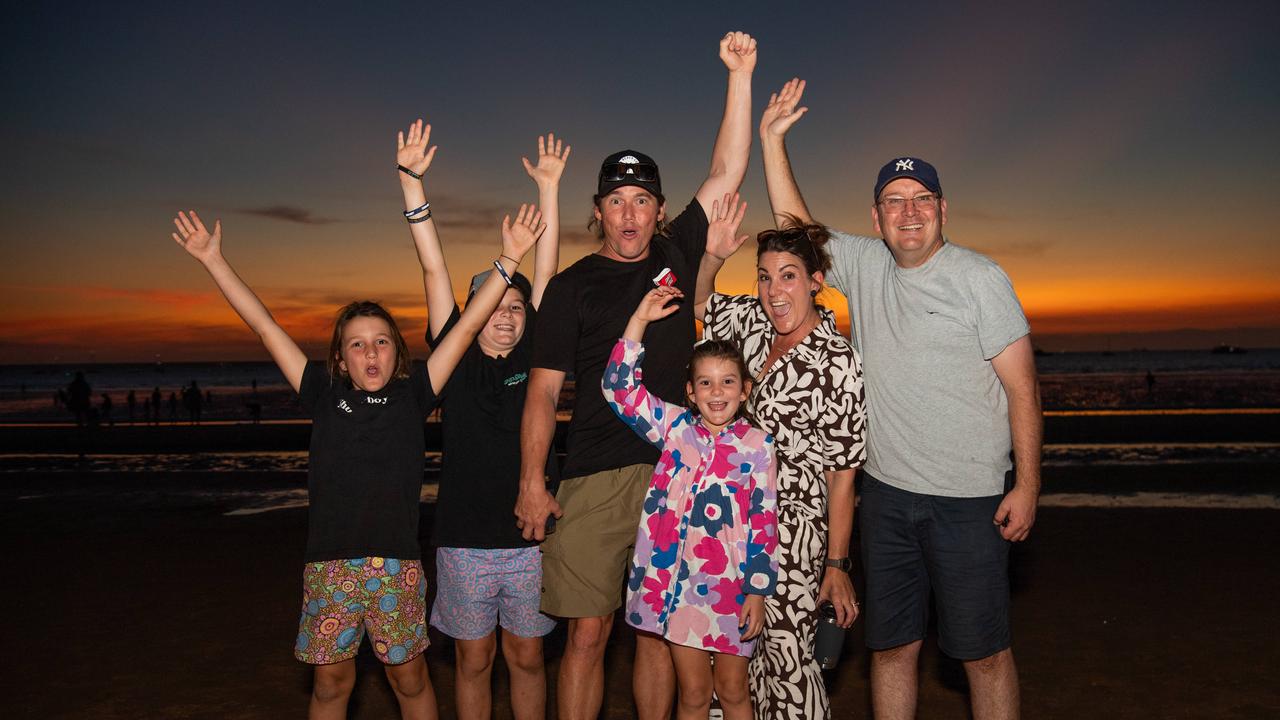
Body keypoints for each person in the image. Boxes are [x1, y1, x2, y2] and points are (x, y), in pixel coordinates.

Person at [171, 203, 547, 720]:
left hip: (397, 566)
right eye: (357, 345)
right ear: (340, 356)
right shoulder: (321, 393)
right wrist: (214, 260)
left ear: (397, 351)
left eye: (381, 343)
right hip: (329, 566)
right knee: (330, 685)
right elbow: (263, 325)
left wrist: (507, 261)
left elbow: (463, 332)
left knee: (410, 678)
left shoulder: (418, 392)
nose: (371, 355)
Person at [756, 78, 1042, 720]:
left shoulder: (980, 278)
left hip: (970, 501)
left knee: (984, 654)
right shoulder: (864, 264)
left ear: (944, 209)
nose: (908, 212)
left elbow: (1023, 388)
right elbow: (793, 227)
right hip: (885, 499)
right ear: (876, 215)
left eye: (921, 199)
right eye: (894, 201)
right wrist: (772, 140)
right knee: (891, 649)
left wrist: (1026, 485)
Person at [513, 30, 757, 720]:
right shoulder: (570, 287)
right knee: (587, 634)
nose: (629, 214)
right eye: (616, 201)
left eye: (642, 200)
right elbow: (541, 392)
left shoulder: (677, 253)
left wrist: (739, 75)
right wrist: (533, 479)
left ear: (659, 209)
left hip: (679, 471)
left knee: (660, 632)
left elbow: (728, 168)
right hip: (592, 473)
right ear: (598, 211)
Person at [396, 119, 567, 720]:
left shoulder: (532, 357)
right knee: (473, 661)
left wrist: (548, 188)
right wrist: (412, 184)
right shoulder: (453, 356)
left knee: (526, 657)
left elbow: (545, 275)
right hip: (463, 539)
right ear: (473, 311)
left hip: (529, 537)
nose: (506, 316)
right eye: (494, 304)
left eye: (516, 308)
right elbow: (432, 268)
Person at [696, 197, 866, 718]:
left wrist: (836, 565)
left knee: (790, 665)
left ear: (816, 281)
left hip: (795, 535)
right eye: (765, 277)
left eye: (788, 276)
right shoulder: (750, 323)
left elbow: (843, 476)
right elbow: (701, 303)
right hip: (729, 523)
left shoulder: (838, 361)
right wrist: (711, 256)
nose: (774, 291)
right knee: (731, 666)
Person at [602, 286, 778, 720]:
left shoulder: (758, 446)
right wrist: (640, 317)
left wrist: (757, 590)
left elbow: (765, 523)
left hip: (733, 590)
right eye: (705, 383)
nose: (716, 392)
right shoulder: (674, 430)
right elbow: (619, 387)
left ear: (744, 390)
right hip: (676, 590)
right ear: (691, 391)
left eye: (728, 382)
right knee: (694, 694)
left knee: (734, 691)